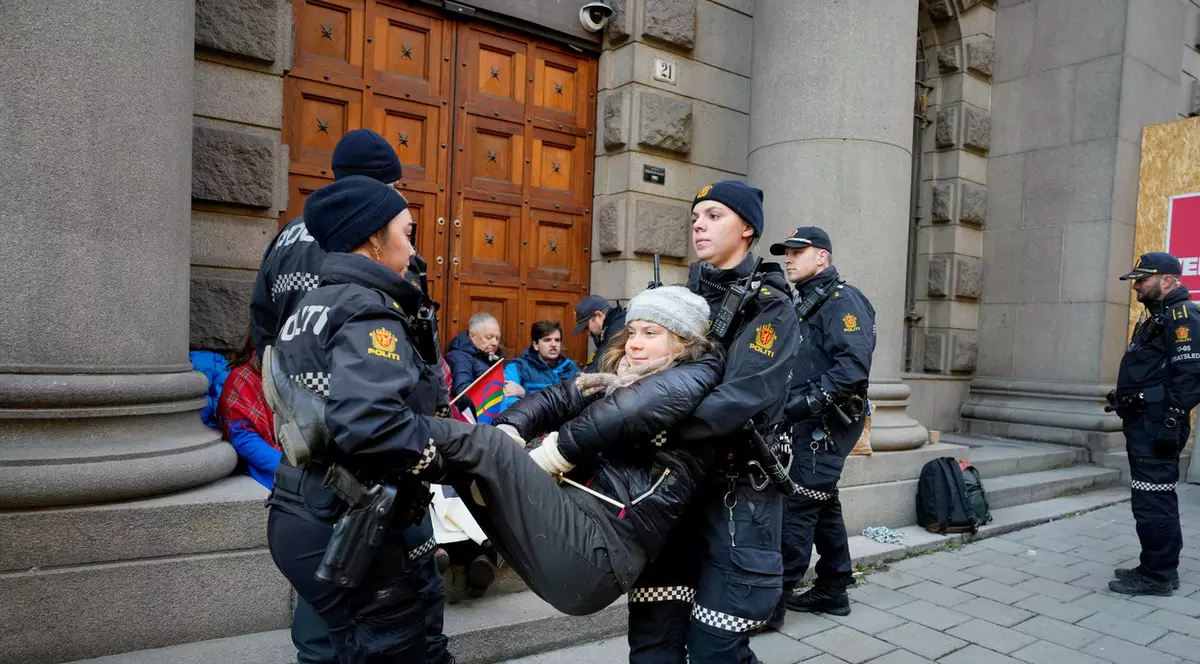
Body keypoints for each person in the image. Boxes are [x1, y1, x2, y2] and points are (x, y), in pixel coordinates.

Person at [249, 129, 451, 664]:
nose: (408, 246)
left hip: (306, 449)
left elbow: (265, 333)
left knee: (330, 596)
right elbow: (395, 365)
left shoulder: (288, 237)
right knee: (396, 595)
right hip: (375, 456)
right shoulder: (372, 244)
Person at [414, 285, 723, 615]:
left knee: (489, 447)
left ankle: (385, 424)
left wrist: (552, 454)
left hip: (601, 552)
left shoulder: (693, 375)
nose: (634, 342)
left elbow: (628, 409)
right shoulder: (618, 376)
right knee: (450, 464)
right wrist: (512, 427)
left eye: (650, 333)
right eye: (632, 331)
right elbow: (557, 397)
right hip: (573, 535)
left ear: (683, 340)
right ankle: (392, 450)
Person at [626, 181, 800, 664]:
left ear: (747, 229)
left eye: (715, 215)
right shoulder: (674, 298)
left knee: (715, 651)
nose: (699, 223)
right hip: (671, 488)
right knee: (652, 641)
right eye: (696, 215)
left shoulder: (771, 305)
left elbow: (739, 399)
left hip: (735, 492)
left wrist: (653, 426)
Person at [766, 226, 875, 623]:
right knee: (822, 500)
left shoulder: (842, 300)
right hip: (810, 422)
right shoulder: (808, 300)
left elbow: (852, 367)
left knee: (798, 505)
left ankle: (770, 606)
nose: (789, 259)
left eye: (798, 251)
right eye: (786, 253)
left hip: (824, 425)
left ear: (822, 257)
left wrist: (802, 405)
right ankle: (833, 588)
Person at [1107, 251, 1200, 596]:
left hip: (1157, 425)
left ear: (1167, 281)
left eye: (1142, 279)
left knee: (1153, 499)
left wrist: (1171, 421)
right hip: (1145, 422)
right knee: (1149, 497)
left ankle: (1158, 576)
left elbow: (1191, 375)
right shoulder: (1157, 317)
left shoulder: (1182, 315)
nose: (1136, 286)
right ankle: (1155, 565)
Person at [217, 329, 282, 489]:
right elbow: (244, 439)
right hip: (270, 461)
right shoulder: (241, 378)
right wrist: (286, 468)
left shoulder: (298, 373)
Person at [499, 321, 580, 410]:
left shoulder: (570, 367)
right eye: (547, 340)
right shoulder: (517, 367)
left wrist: (525, 393)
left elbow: (581, 399)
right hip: (531, 422)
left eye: (557, 340)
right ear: (536, 345)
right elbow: (508, 404)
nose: (553, 345)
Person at [445, 312, 504, 396]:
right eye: (488, 337)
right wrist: (501, 392)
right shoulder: (460, 358)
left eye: (497, 338)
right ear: (472, 336)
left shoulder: (495, 357)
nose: (495, 343)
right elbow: (463, 393)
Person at [574, 294, 626, 372]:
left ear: (599, 315)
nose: (587, 332)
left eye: (587, 327)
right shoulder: (612, 325)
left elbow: (599, 366)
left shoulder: (617, 329)